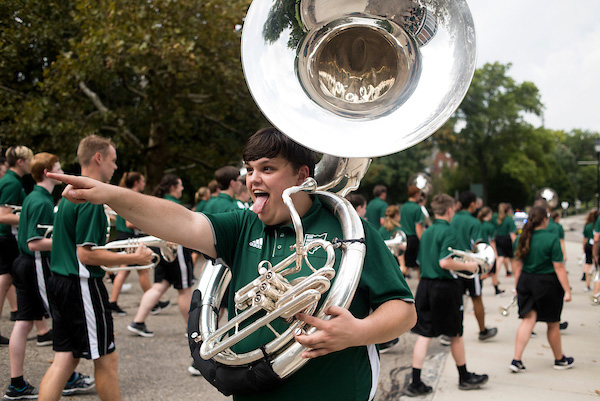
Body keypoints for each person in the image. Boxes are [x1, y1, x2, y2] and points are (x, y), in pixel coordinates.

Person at [48, 127, 417, 401]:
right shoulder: (244, 224)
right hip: (256, 390)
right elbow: (182, 221)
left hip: (334, 392)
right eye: (249, 169)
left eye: (267, 169)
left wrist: (359, 332)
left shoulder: (348, 228)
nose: (253, 178)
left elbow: (403, 310)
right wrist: (110, 194)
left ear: (302, 176)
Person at [38, 135, 153, 401]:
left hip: (60, 282)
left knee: (65, 360)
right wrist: (135, 258)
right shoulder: (92, 197)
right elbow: (87, 255)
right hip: (81, 286)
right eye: (113, 161)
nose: (116, 168)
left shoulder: (70, 194)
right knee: (106, 359)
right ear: (98, 158)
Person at [5, 152, 94, 400]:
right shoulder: (41, 200)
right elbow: (34, 243)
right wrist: (64, 240)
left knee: (23, 323)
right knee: (60, 319)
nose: (62, 170)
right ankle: (67, 376)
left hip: (23, 264)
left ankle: (17, 383)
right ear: (47, 172)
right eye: (58, 167)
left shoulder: (36, 197)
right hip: (33, 264)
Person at [404, 193, 488, 396]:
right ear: (450, 210)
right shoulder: (449, 230)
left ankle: (415, 382)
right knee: (455, 334)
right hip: (444, 288)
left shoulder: (428, 230)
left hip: (425, 286)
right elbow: (445, 261)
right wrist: (468, 265)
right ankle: (464, 376)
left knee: (425, 335)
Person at [127, 174, 195, 338]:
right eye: (179, 186)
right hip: (175, 247)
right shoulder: (176, 205)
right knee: (184, 289)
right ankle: (191, 329)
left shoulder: (156, 202)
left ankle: (138, 321)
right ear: (173, 187)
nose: (182, 188)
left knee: (159, 285)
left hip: (159, 247)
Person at [509, 206, 573, 372]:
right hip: (547, 283)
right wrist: (567, 290)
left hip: (526, 281)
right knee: (552, 323)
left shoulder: (521, 238)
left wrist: (517, 286)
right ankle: (559, 359)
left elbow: (518, 265)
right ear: (545, 219)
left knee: (528, 319)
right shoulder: (552, 238)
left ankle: (516, 360)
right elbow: (559, 267)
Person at [107, 172, 165, 316]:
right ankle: (152, 302)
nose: (144, 184)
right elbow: (129, 222)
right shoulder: (131, 196)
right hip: (130, 237)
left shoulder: (124, 194)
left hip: (126, 236)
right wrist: (148, 225)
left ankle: (114, 302)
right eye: (143, 181)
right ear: (136, 182)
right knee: (142, 270)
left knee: (125, 270)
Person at [451, 191, 497, 342]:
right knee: (476, 297)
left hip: (453, 264)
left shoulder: (452, 218)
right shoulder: (474, 222)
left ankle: (450, 332)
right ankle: (482, 331)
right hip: (471, 266)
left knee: (455, 300)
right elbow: (478, 246)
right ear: (472, 204)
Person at [0, 146, 34, 346]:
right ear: (20, 162)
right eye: (29, 159)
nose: (31, 164)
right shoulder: (11, 183)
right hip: (6, 238)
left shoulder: (12, 181)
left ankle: (41, 327)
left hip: (7, 238)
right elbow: (3, 215)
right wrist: (27, 219)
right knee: (6, 280)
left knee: (7, 279)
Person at [478, 206, 504, 295]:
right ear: (489, 215)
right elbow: (492, 241)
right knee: (492, 271)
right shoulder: (490, 226)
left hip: (479, 250)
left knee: (481, 271)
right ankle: (496, 289)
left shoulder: (478, 224)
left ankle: (479, 291)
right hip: (488, 250)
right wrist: (495, 253)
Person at [400, 185, 425, 277]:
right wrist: (422, 241)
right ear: (416, 194)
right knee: (418, 266)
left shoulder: (403, 207)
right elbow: (418, 227)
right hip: (413, 239)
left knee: (404, 266)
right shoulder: (417, 208)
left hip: (403, 239)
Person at [378, 204, 407, 275]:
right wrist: (402, 265)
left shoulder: (381, 230)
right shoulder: (398, 230)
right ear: (396, 215)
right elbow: (400, 249)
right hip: (395, 262)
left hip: (384, 262)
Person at [494, 203, 517, 277]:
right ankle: (515, 274)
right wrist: (516, 244)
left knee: (500, 257)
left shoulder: (496, 218)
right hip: (507, 239)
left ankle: (495, 274)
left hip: (498, 238)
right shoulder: (509, 219)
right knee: (512, 258)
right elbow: (512, 234)